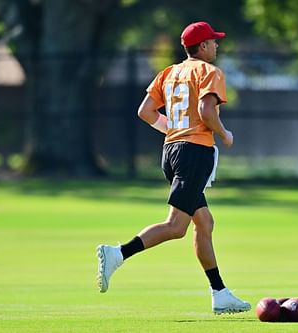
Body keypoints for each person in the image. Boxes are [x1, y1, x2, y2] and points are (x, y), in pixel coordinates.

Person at [96, 21, 251, 315]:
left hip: (171, 151)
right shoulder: (209, 72)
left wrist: (172, 129)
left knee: (204, 223)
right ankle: (118, 253)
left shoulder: (169, 72)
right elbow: (206, 111)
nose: (217, 45)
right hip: (194, 153)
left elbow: (145, 111)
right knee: (176, 227)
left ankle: (219, 293)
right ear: (202, 46)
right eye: (213, 41)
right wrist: (224, 133)